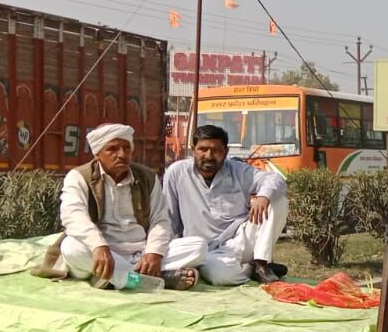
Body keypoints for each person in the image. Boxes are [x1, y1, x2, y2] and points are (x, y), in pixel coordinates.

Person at [54, 124, 202, 289]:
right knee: (71, 248)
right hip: (103, 251)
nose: (122, 154)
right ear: (97, 153)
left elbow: (160, 219)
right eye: (112, 149)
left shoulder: (147, 177)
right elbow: (73, 216)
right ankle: (149, 281)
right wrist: (98, 246)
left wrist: (154, 253)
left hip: (140, 251)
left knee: (199, 246)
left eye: (126, 148)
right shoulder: (79, 177)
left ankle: (116, 278)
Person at [164, 125, 288, 285]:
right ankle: (250, 269)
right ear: (193, 149)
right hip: (205, 249)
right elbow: (169, 217)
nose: (209, 156)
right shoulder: (177, 172)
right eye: (203, 149)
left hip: (240, 240)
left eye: (216, 150)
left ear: (226, 152)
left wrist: (263, 197)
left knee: (278, 200)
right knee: (219, 275)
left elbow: (275, 179)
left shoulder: (237, 170)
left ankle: (261, 263)